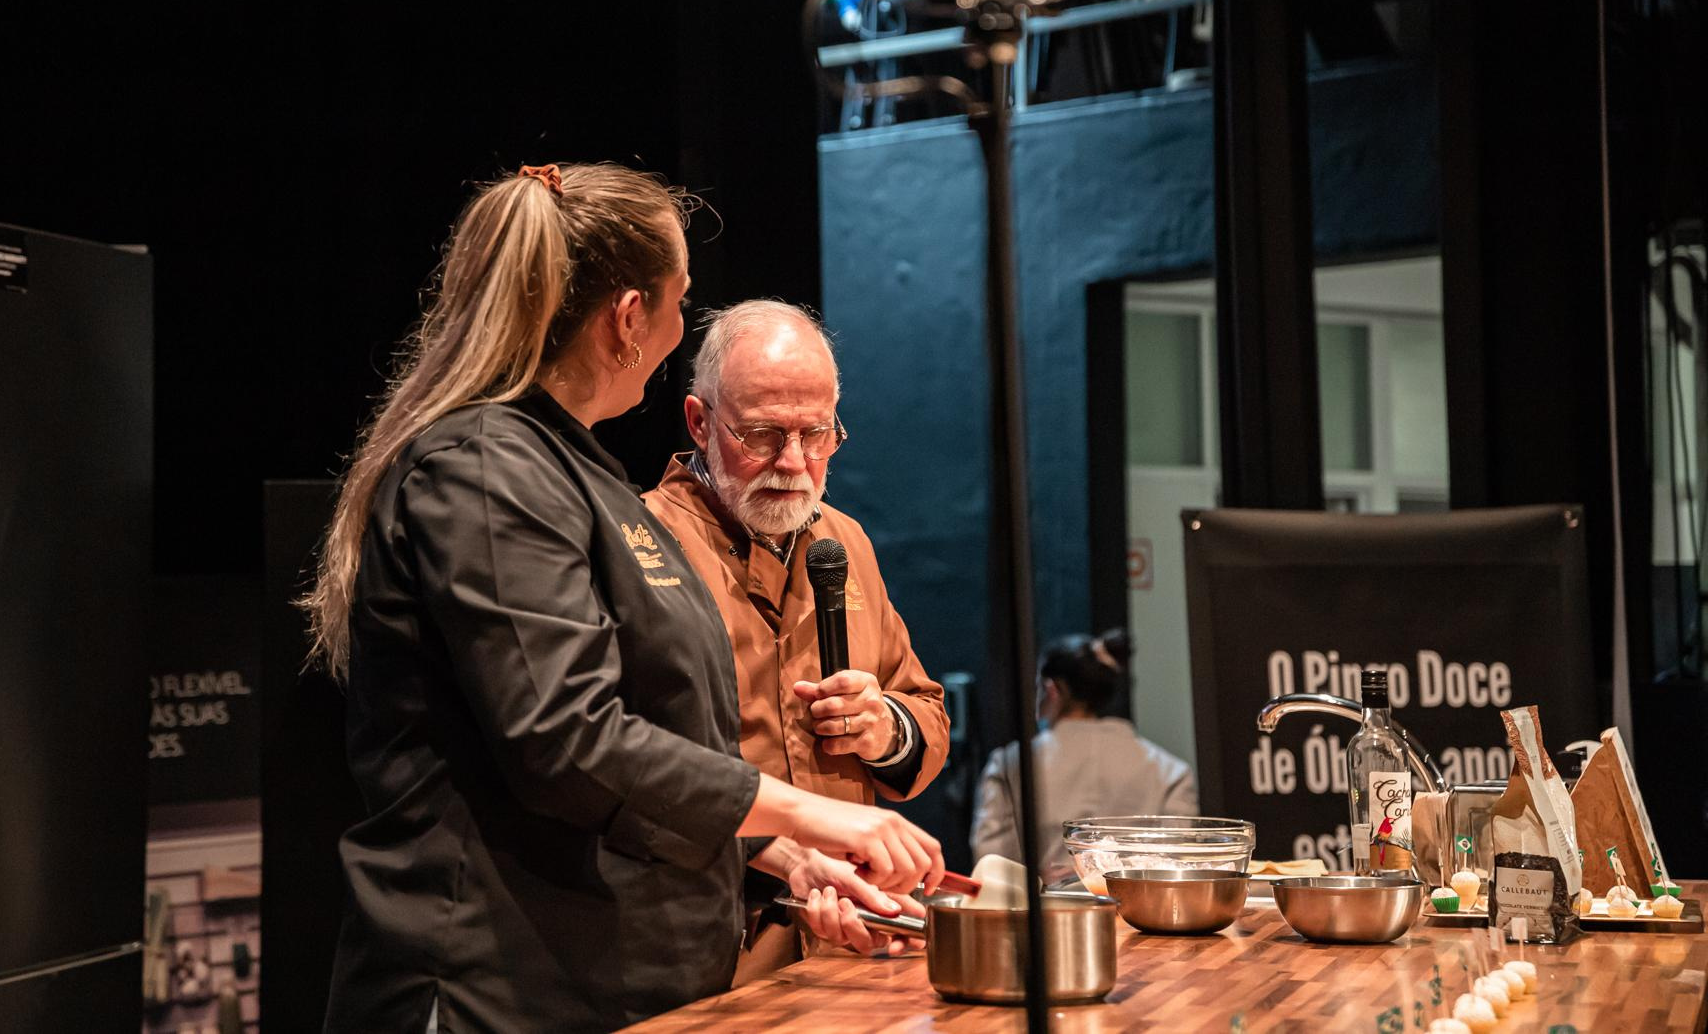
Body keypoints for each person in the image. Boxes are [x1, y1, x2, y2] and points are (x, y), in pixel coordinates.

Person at [302, 164, 943, 1034]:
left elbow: (636, 765)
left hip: (599, 981)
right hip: (489, 988)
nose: (681, 324)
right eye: (680, 301)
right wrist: (808, 811)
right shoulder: (487, 469)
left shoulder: (569, 472)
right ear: (629, 317)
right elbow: (567, 737)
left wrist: (785, 853)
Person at [642, 300, 949, 977]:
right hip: (707, 952)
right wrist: (781, 853)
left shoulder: (845, 539)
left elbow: (925, 707)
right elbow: (628, 766)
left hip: (853, 944)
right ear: (700, 421)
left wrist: (885, 727)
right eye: (761, 435)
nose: (794, 461)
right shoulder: (641, 545)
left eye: (816, 433)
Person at [970, 629, 1196, 880]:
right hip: (1141, 914)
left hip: (1046, 914)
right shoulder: (1171, 771)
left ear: (1051, 689)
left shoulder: (1009, 764)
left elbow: (993, 865)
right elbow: (1178, 862)